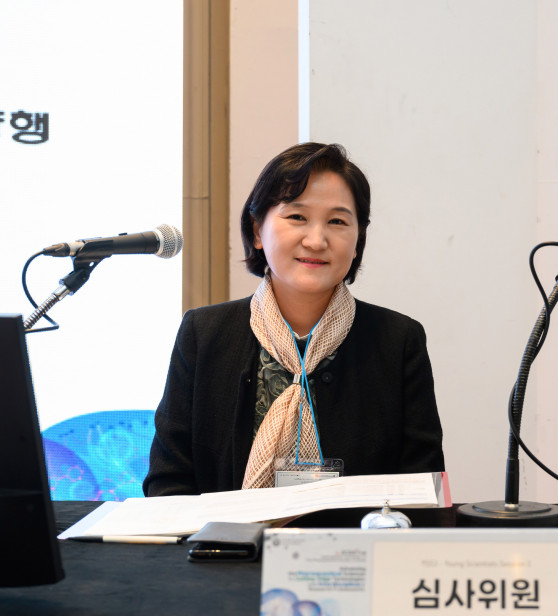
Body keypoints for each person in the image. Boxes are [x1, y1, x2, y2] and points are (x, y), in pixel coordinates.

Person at [144, 143, 444, 496]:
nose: (316, 241)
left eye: (337, 221)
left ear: (358, 240)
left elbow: (423, 490)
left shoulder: (399, 340)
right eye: (297, 217)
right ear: (257, 231)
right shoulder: (204, 333)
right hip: (226, 533)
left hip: (358, 534)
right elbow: (168, 482)